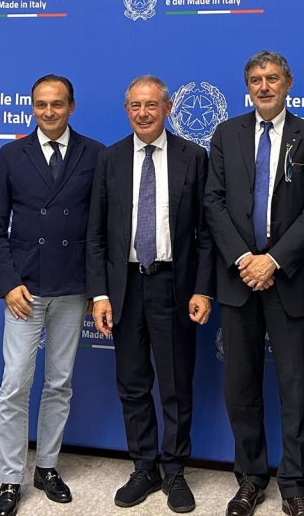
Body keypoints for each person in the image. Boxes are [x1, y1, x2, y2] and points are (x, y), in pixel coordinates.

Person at [205, 51, 304, 516]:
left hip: (289, 279)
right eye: (256, 79)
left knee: (295, 388)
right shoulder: (226, 134)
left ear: (288, 83)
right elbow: (213, 203)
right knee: (240, 386)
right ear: (248, 86)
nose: (264, 86)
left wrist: (273, 261)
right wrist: (245, 259)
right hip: (238, 279)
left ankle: (295, 486)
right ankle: (250, 479)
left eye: (272, 78)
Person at [86, 75, 214, 513]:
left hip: (173, 285)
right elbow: (96, 234)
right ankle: (144, 467)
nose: (143, 113)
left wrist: (203, 289)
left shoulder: (193, 157)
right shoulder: (110, 158)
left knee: (176, 384)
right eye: (135, 106)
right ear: (127, 110)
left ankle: (175, 470)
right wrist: (99, 295)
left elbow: (206, 235)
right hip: (124, 286)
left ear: (168, 108)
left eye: (152, 105)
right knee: (132, 382)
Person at [0, 74, 104, 516]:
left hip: (72, 287)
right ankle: (10, 477)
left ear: (71, 106)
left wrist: (97, 290)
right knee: (15, 384)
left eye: (57, 104)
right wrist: (8, 283)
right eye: (41, 104)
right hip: (25, 288)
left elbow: (98, 229)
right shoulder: (11, 154)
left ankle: (48, 467)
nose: (49, 112)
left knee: (59, 382)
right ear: (32, 107)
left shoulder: (94, 153)